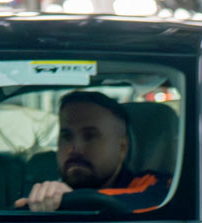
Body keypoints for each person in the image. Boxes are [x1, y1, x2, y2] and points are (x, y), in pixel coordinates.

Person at [15, 91, 168, 213]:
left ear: (122, 147)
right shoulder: (38, 190)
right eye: (66, 136)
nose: (74, 148)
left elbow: (158, 201)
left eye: (90, 136)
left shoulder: (155, 185)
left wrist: (71, 199)